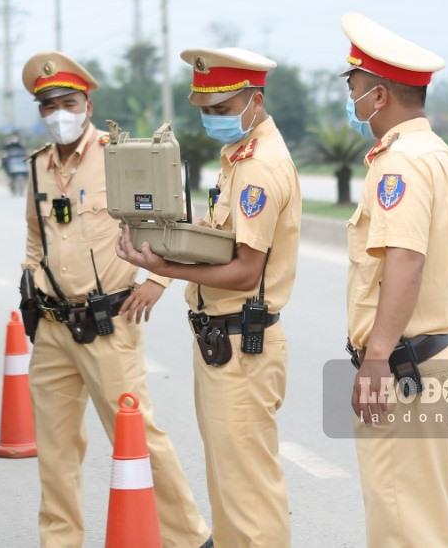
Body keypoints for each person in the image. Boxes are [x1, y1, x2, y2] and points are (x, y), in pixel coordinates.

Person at [18, 51, 212, 548]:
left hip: (109, 323)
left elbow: (176, 221)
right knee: (56, 451)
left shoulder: (120, 157)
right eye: (48, 106)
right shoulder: (39, 167)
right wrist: (30, 281)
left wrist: (158, 282)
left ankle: (189, 539)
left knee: (138, 436)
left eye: (67, 102)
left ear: (87, 102)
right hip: (52, 329)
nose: (58, 113)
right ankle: (59, 541)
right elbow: (35, 237)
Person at [118, 47, 299, 548]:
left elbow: (244, 272)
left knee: (249, 496)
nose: (210, 119)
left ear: (254, 100)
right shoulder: (238, 158)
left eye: (221, 109)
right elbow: (217, 239)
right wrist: (163, 271)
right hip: (225, 344)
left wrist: (163, 267)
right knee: (231, 488)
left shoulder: (260, 168)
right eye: (204, 109)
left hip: (242, 343)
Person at [338, 12, 448, 548]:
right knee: (446, 529)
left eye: (353, 85)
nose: (350, 97)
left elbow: (406, 259)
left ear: (378, 96)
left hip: (410, 373)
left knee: (406, 530)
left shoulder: (398, 166)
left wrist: (376, 358)